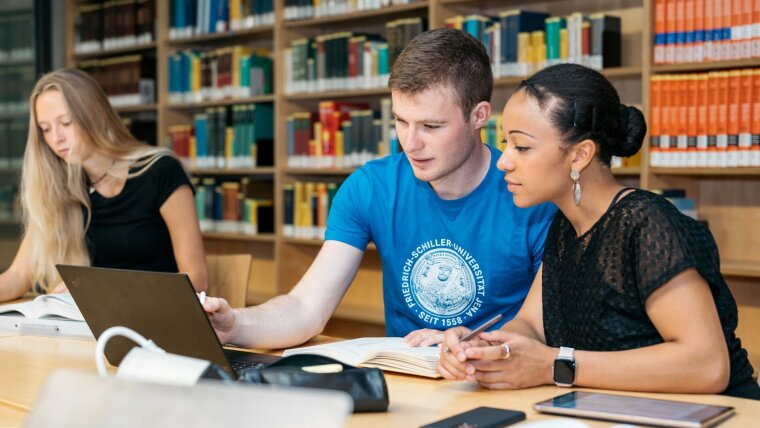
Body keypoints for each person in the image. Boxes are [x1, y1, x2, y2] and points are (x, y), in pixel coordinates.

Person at [202, 28, 556, 349]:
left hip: (499, 380)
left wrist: (472, 345)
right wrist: (237, 324)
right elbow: (306, 307)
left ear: (479, 116)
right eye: (400, 121)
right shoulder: (371, 187)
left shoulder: (532, 196)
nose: (410, 143)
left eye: (431, 126)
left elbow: (539, 329)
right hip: (405, 381)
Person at [437, 63, 760, 399]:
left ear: (580, 155)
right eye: (507, 143)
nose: (504, 161)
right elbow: (531, 325)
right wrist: (486, 348)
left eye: (522, 147)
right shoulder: (566, 225)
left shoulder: (647, 225)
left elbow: (707, 365)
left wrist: (554, 366)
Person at [0, 68, 208, 302]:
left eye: (65, 123)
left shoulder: (161, 171)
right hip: (96, 326)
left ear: (95, 115)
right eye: (45, 129)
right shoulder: (58, 187)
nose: (55, 138)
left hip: (159, 317)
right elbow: (17, 276)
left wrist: (96, 289)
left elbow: (197, 279)